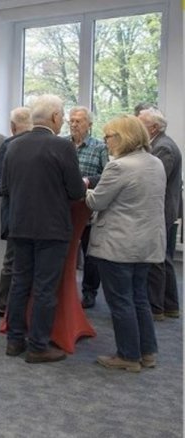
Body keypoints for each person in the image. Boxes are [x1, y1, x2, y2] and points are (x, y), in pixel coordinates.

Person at [0, 94, 86, 363]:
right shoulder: (63, 147)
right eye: (63, 116)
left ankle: (14, 340)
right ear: (55, 117)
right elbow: (76, 191)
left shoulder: (13, 145)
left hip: (19, 224)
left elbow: (3, 187)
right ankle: (38, 345)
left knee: (20, 283)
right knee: (45, 288)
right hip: (52, 228)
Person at [84, 115, 164, 372]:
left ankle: (128, 356)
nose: (105, 141)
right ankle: (147, 352)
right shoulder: (155, 162)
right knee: (139, 298)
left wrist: (82, 188)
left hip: (118, 244)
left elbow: (97, 202)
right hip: (146, 243)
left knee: (120, 301)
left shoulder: (119, 166)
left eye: (108, 136)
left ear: (123, 137)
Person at [0, 106, 32, 317]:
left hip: (15, 213)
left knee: (11, 261)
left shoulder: (9, 145)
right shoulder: (53, 145)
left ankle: (3, 304)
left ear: (12, 126)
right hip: (43, 218)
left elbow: (0, 187)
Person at [138, 108, 182, 321]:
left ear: (154, 127)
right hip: (162, 208)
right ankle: (170, 306)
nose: (137, 126)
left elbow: (154, 179)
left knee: (157, 258)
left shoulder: (163, 147)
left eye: (141, 123)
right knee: (163, 257)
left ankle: (156, 308)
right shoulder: (160, 144)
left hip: (160, 210)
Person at [65, 106, 109, 309]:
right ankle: (64, 289)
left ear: (89, 125)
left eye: (79, 121)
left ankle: (89, 291)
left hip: (88, 206)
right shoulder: (62, 144)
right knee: (63, 249)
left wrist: (87, 180)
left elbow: (108, 175)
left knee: (89, 251)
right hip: (64, 206)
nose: (74, 124)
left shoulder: (99, 147)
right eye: (72, 120)